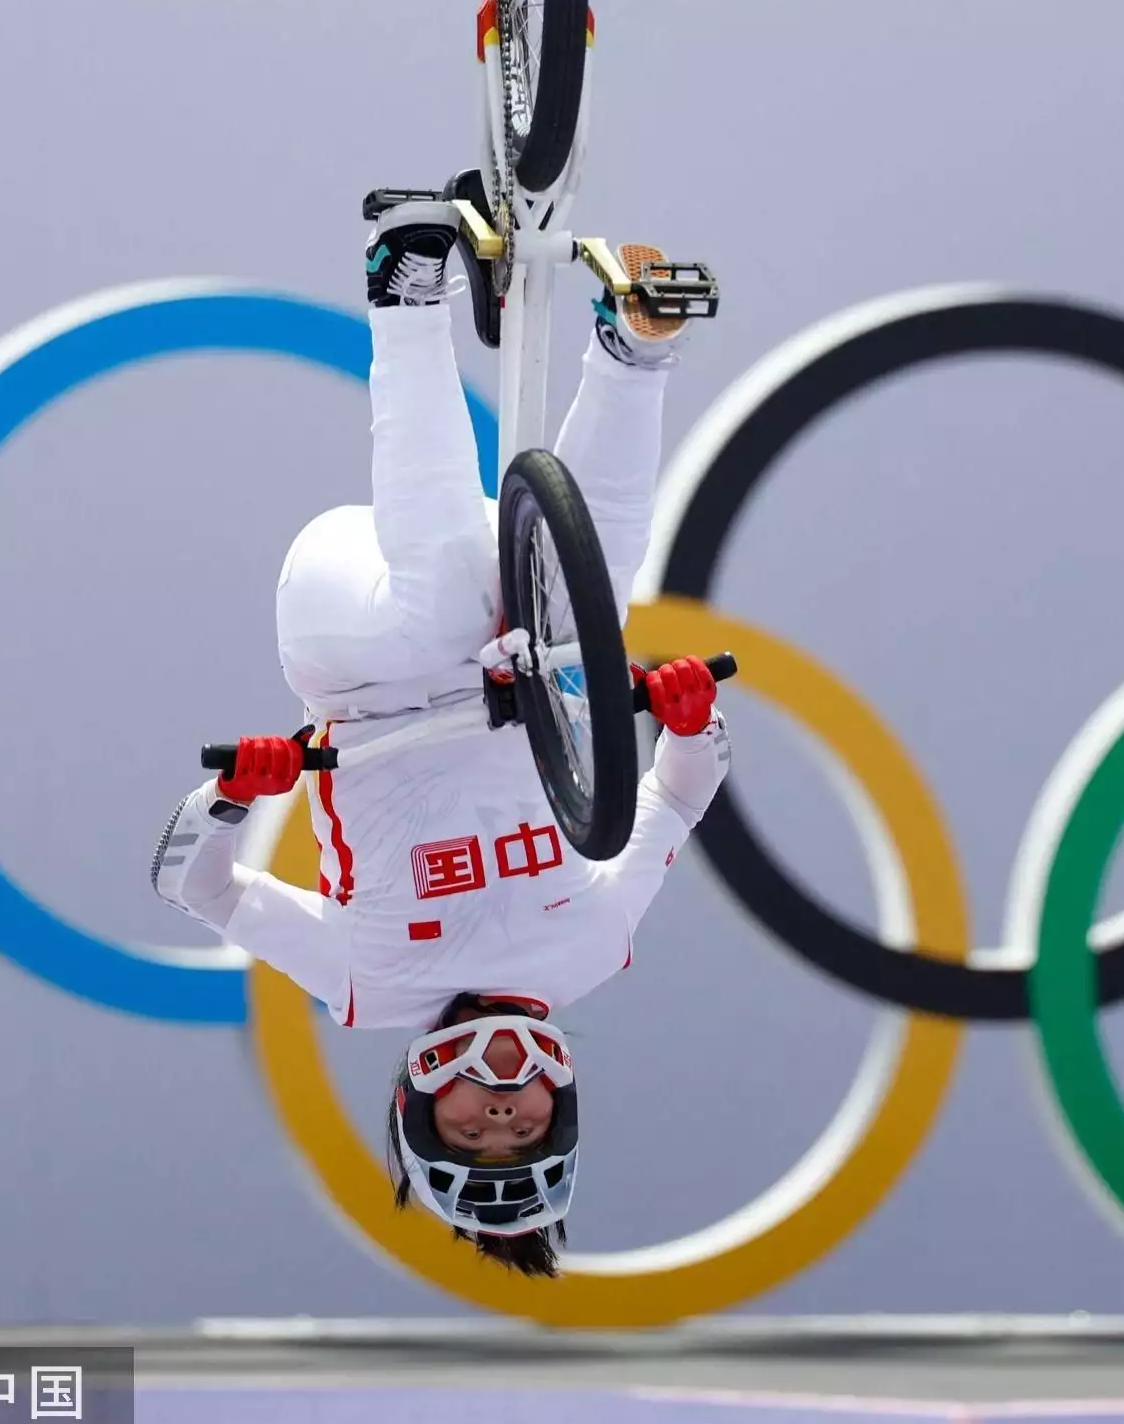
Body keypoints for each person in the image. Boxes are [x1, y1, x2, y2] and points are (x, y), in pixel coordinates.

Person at [149, 190, 732, 1278]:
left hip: (356, 642)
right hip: (518, 650)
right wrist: (691, 719)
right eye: (525, 1123)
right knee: (591, 601)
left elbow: (201, 888)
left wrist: (243, 794)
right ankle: (636, 342)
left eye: (472, 1127)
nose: (501, 1098)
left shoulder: (365, 984)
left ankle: (404, 287)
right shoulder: (590, 949)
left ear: (421, 1097)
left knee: (438, 605)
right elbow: (679, 795)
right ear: (564, 1098)